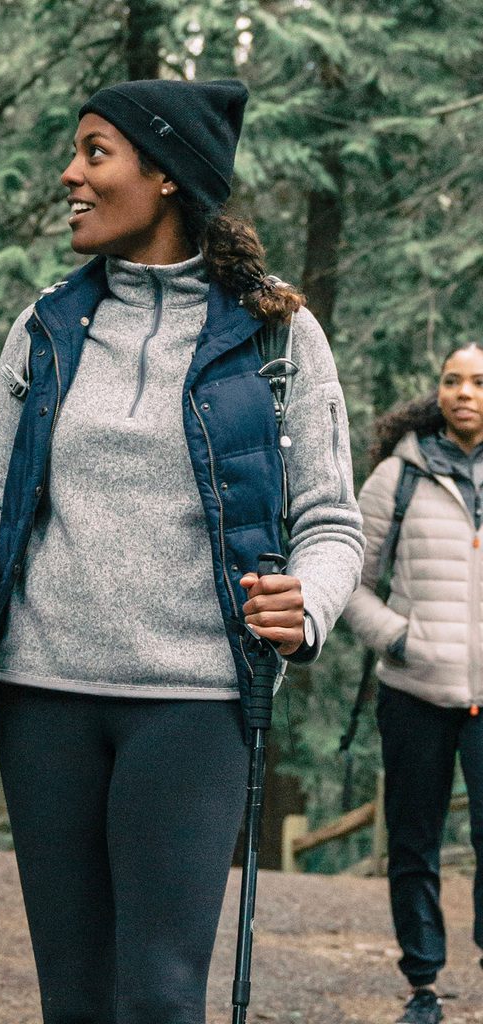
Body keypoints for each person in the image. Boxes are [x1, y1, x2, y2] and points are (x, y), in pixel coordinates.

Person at [0, 79, 365, 1023]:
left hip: (193, 701)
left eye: (93, 152)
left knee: (159, 995)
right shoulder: (44, 327)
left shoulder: (278, 335)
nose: (69, 174)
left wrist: (307, 604)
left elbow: (331, 523)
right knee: (73, 998)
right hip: (45, 695)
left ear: (164, 174)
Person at [344, 344, 483, 1024]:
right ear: (438, 392)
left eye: (479, 382)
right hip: (414, 693)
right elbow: (352, 586)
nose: (464, 392)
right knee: (414, 840)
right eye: (453, 380)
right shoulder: (397, 477)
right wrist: (401, 639)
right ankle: (423, 985)